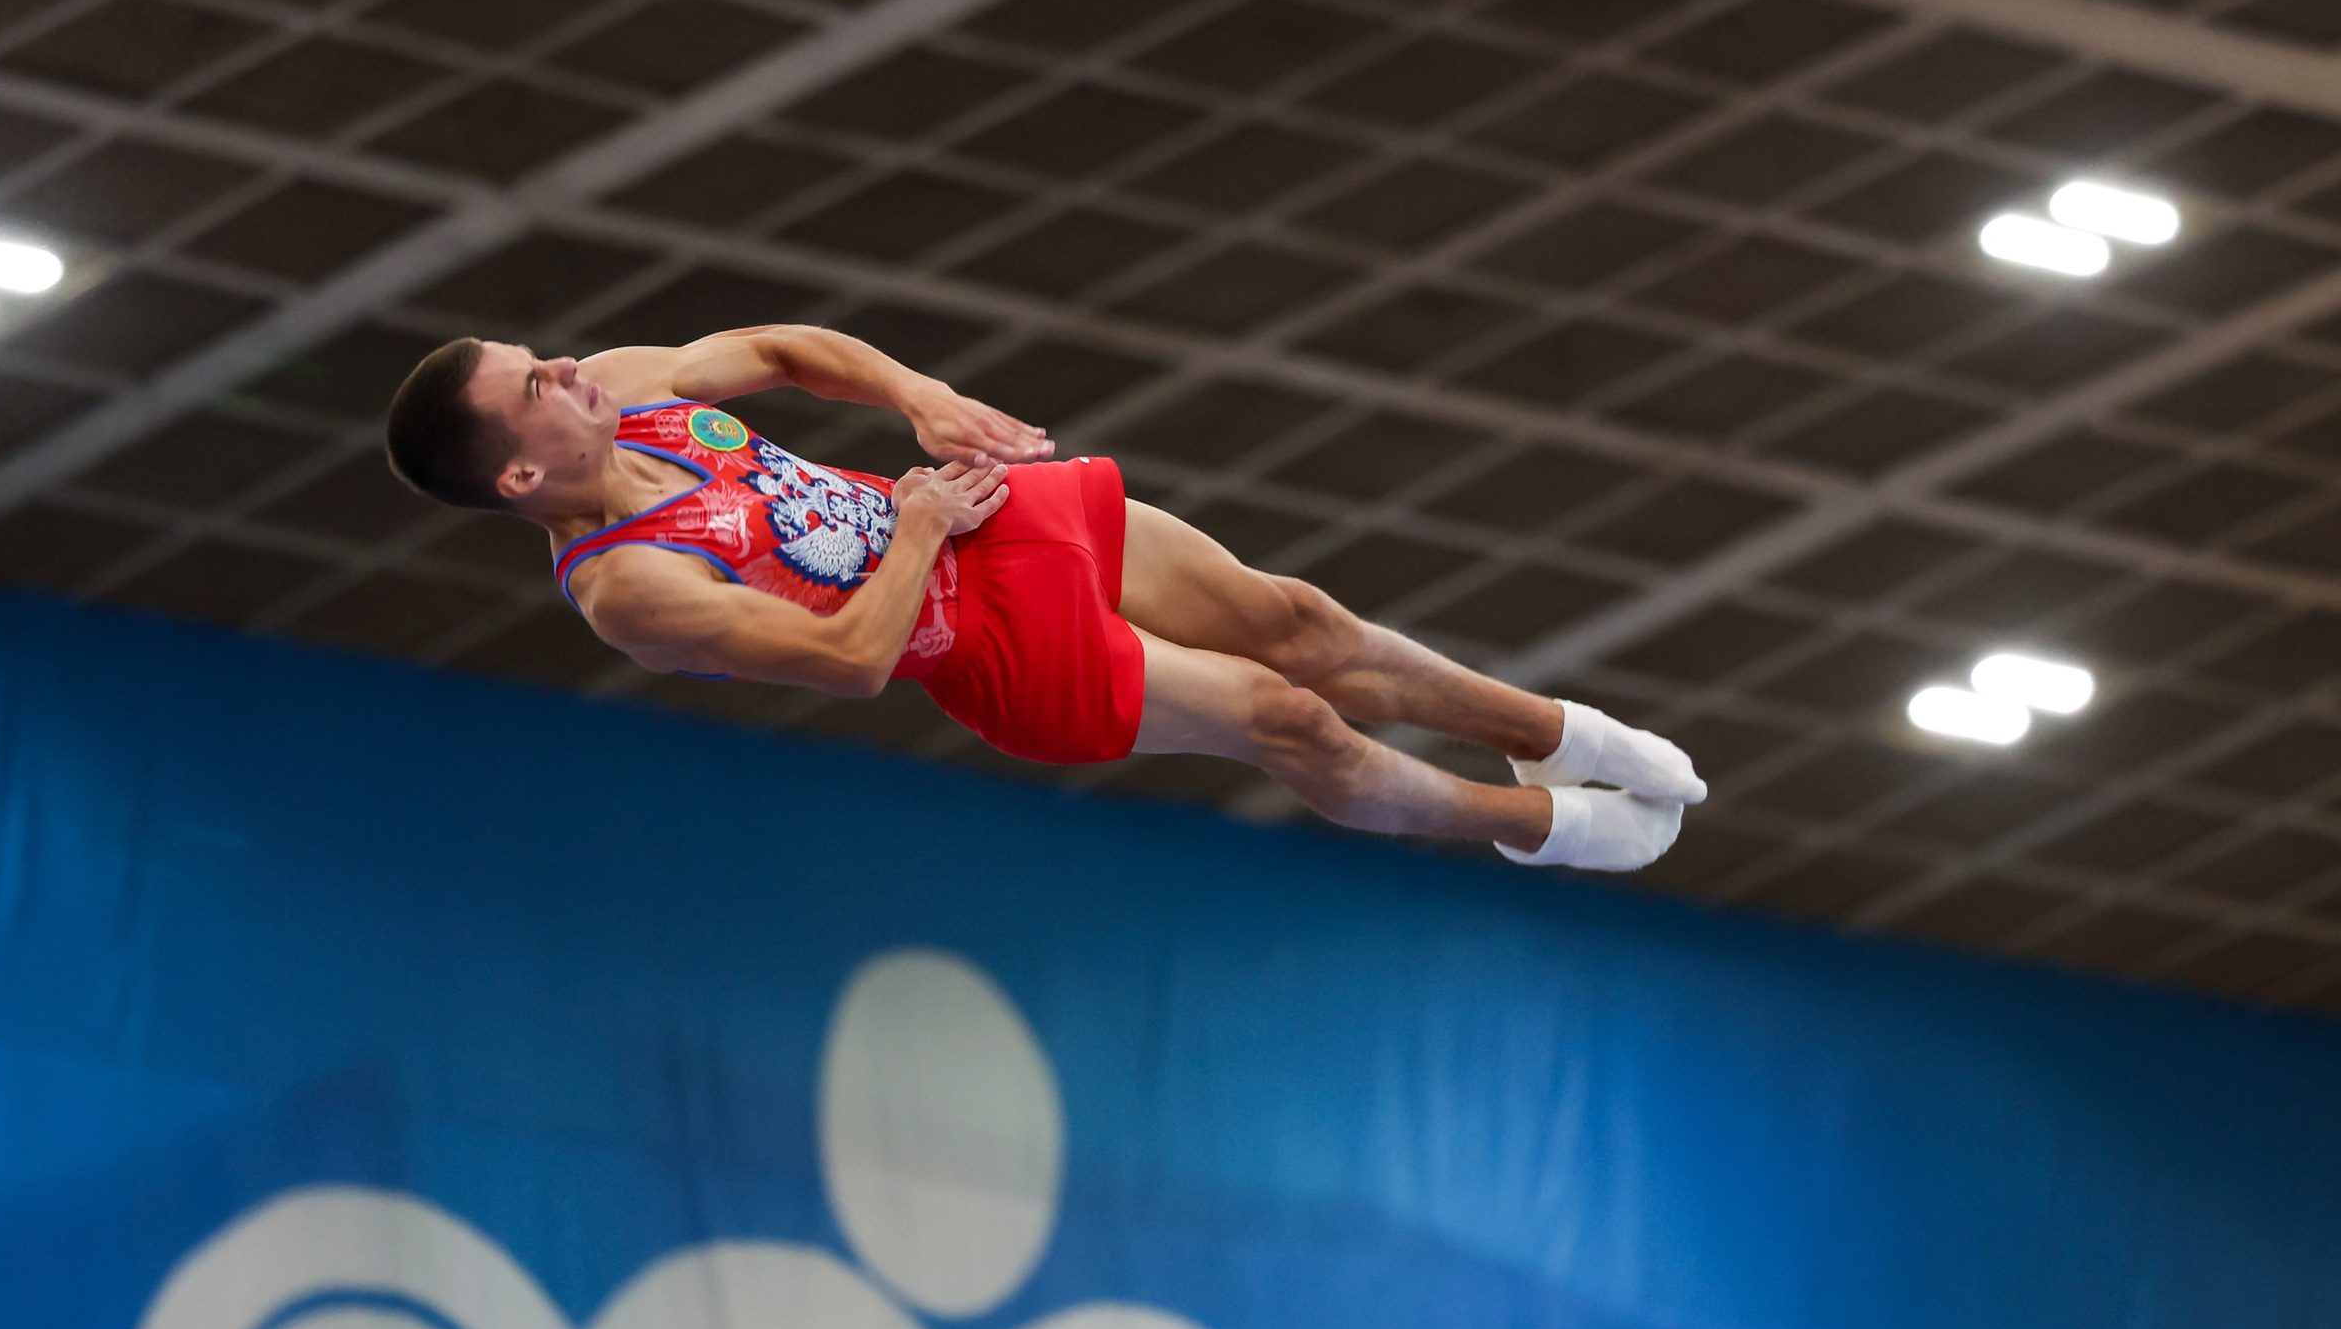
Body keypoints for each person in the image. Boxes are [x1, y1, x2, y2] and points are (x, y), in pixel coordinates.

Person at [384, 325, 1704, 868]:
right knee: (1283, 713)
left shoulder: (634, 385)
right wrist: (907, 531)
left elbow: (783, 349)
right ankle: (1534, 823)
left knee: (1298, 619)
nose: (563, 366)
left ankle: (1562, 730)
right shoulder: (629, 587)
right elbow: (848, 661)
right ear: (515, 471)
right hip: (981, 642)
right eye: (535, 387)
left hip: (993, 522)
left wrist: (914, 397)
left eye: (541, 356)